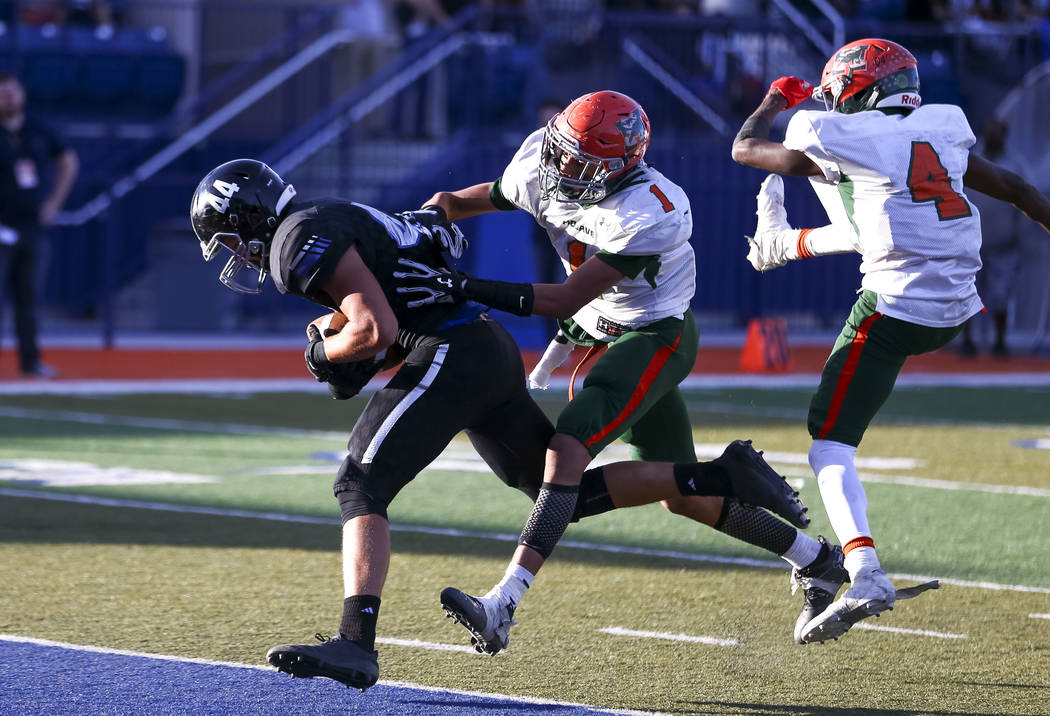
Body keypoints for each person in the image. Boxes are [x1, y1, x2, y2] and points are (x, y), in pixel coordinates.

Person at [188, 158, 809, 690]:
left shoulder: (295, 239)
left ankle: (356, 640)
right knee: (551, 489)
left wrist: (328, 353)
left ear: (244, 218)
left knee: (359, 482)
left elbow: (372, 328)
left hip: (456, 350)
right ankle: (716, 476)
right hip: (483, 346)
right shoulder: (327, 215)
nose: (235, 253)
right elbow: (407, 284)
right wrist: (353, 355)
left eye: (228, 237)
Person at [396, 90, 844, 653]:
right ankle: (816, 559)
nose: (562, 168)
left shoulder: (650, 208)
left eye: (580, 163)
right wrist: (422, 224)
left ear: (620, 165)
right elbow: (455, 201)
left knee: (567, 445)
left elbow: (563, 298)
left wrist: (463, 286)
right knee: (681, 494)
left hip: (654, 335)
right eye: (561, 152)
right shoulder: (542, 161)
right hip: (602, 332)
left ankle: (503, 603)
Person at [730, 38, 1050, 643]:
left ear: (861, 89)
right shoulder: (944, 126)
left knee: (828, 445)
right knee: (862, 188)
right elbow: (1022, 192)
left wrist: (772, 100)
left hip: (897, 305)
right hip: (958, 307)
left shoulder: (839, 131)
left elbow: (745, 149)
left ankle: (863, 568)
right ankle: (787, 243)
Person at [0, 72, 79, 378]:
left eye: (12, 91)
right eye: (2, 93)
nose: (8, 97)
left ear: (23, 94)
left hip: (31, 226)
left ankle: (30, 362)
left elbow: (68, 162)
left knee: (28, 298)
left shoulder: (37, 129)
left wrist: (54, 204)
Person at [959, 118, 1024, 358]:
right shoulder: (969, 161)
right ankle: (967, 341)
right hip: (970, 244)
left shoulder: (1015, 164)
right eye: (990, 131)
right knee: (966, 292)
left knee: (1000, 295)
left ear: (1005, 135)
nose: (993, 136)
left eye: (998, 132)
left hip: (1003, 244)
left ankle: (1000, 342)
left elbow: (1023, 196)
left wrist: (1019, 236)